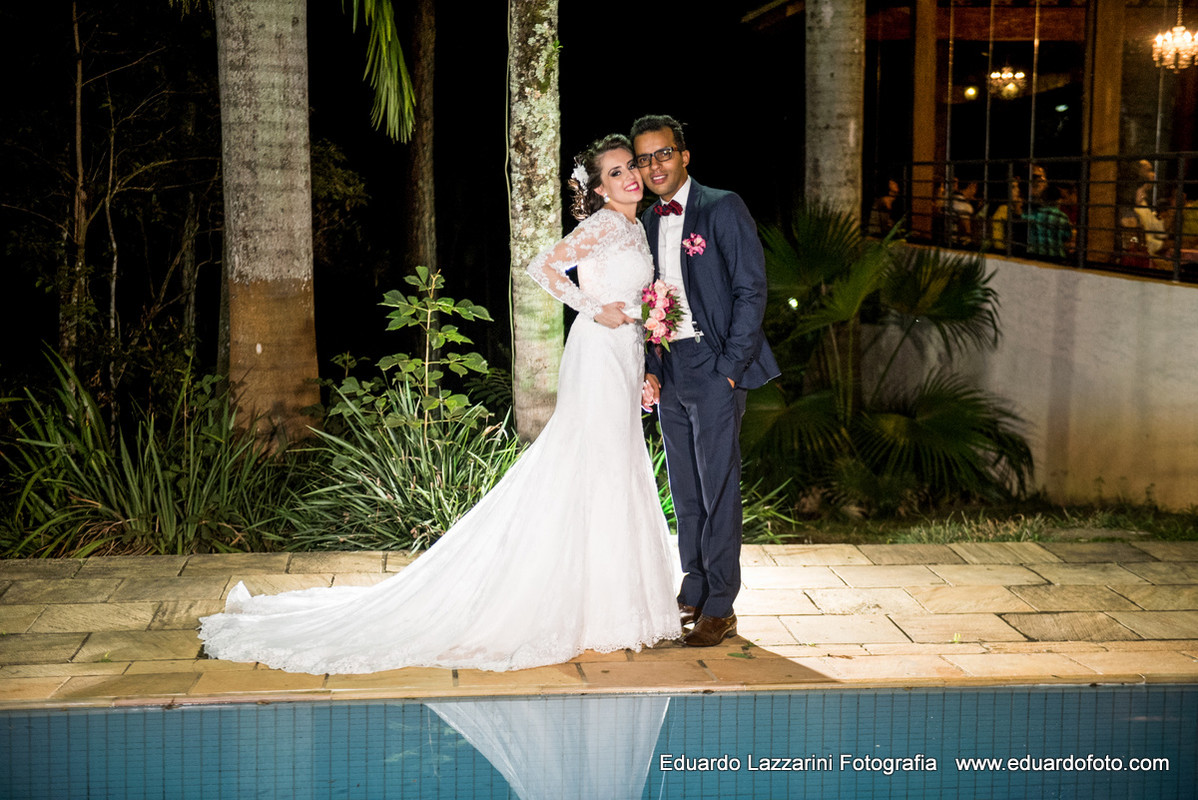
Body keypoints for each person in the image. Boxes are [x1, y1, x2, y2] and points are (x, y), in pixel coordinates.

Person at [197, 134, 681, 674]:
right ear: (596, 188)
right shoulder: (604, 225)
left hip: (625, 357)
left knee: (613, 469)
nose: (629, 177)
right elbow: (542, 267)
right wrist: (594, 309)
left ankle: (607, 603)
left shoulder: (638, 226)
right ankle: (589, 610)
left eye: (630, 168)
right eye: (614, 173)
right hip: (595, 354)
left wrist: (643, 363)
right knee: (593, 467)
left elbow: (644, 302)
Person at [631, 114, 780, 648]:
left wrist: (730, 372)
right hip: (669, 369)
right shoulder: (645, 222)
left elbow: (751, 290)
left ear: (684, 155)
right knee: (685, 490)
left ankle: (721, 604)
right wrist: (651, 366)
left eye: (663, 154)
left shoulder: (722, 207)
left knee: (718, 488)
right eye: (645, 159)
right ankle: (692, 589)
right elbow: (648, 302)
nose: (655, 166)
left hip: (715, 367)